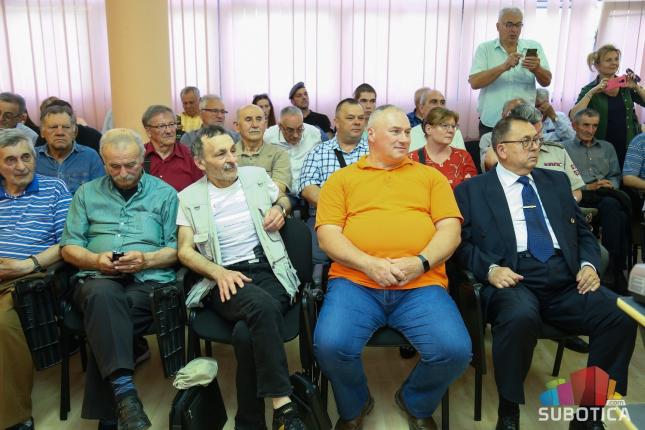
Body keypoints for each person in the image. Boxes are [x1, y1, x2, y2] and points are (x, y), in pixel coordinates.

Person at [454, 115, 637, 430]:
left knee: (620, 316)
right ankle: (509, 411)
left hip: (566, 278)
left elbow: (583, 233)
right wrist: (491, 269)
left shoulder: (555, 182)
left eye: (536, 140)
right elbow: (461, 245)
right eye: (525, 141)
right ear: (501, 149)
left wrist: (588, 265)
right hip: (513, 278)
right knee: (519, 317)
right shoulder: (472, 190)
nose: (535, 147)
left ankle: (589, 415)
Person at [314, 105, 471, 430]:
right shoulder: (342, 180)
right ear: (371, 134)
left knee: (455, 351)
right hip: (355, 283)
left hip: (420, 284)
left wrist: (420, 262)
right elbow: (328, 236)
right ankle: (355, 404)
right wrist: (368, 264)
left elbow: (450, 231)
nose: (404, 138)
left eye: (407, 132)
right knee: (330, 346)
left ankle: (414, 400)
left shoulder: (430, 178)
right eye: (395, 131)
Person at [177, 125, 306, 430]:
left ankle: (249, 422)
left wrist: (280, 208)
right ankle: (283, 406)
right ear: (200, 162)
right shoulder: (189, 197)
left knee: (246, 334)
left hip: (269, 269)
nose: (231, 159)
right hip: (223, 275)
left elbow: (288, 200)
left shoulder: (256, 177)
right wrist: (217, 272)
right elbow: (184, 251)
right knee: (261, 309)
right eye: (221, 154)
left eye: (233, 151)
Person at [60, 128, 179, 430]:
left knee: (106, 321)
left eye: (131, 165)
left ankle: (115, 413)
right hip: (96, 278)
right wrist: (95, 260)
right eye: (114, 166)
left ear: (143, 159)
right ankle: (126, 396)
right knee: (103, 296)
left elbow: (176, 249)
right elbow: (69, 246)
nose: (123, 173)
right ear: (103, 162)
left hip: (147, 280)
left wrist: (146, 259)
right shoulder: (86, 193)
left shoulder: (165, 194)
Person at [0, 129, 71, 430]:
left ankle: (14, 417)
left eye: (26, 157)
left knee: (1, 324)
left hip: (28, 278)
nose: (21, 166)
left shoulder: (54, 189)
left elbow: (67, 242)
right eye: (10, 160)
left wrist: (26, 265)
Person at [563, 109, 630, 293]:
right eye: (586, 125)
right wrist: (588, 186)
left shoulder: (607, 148)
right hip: (580, 196)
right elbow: (562, 180)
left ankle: (611, 267)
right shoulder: (564, 148)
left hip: (604, 194)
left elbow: (615, 175)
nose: (590, 130)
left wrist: (610, 184)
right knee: (617, 211)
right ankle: (615, 269)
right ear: (574, 126)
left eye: (594, 126)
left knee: (614, 206)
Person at [299, 98, 368, 265]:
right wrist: (338, 208)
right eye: (350, 118)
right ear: (336, 122)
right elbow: (307, 187)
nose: (357, 122)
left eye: (361, 118)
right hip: (326, 216)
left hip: (366, 215)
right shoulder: (318, 151)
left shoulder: (375, 151)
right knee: (317, 258)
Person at [468, 7, 551, 137]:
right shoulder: (485, 49)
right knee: (490, 151)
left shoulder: (533, 47)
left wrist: (537, 69)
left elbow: (547, 81)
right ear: (498, 26)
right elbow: (474, 82)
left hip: (525, 122)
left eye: (518, 25)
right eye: (509, 25)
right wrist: (504, 66)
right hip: (492, 121)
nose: (514, 30)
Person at [483, 104, 585, 202]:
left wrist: (567, 204)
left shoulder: (557, 151)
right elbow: (490, 161)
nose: (538, 138)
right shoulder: (506, 150)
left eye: (539, 132)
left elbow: (576, 189)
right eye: (528, 137)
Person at [569, 45, 645, 168]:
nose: (614, 63)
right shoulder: (590, 89)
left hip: (629, 147)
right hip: (601, 149)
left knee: (627, 179)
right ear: (597, 65)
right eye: (609, 60)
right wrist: (592, 93)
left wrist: (636, 87)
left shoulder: (625, 85)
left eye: (616, 59)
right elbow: (573, 116)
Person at [234, 104, 292, 213]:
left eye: (259, 119)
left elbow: (276, 193)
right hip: (236, 212)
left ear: (265, 124)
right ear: (237, 126)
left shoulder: (279, 154)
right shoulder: (228, 156)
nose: (255, 125)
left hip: (269, 212)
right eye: (248, 120)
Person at [35, 104, 104, 194]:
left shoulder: (90, 157)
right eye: (53, 127)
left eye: (66, 127)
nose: (60, 132)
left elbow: (100, 194)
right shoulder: (32, 157)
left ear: (75, 132)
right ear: (42, 132)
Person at [263, 106, 321, 203]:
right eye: (290, 130)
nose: (296, 135)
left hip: (308, 188)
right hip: (283, 191)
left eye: (300, 129)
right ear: (280, 127)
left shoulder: (313, 134)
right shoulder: (268, 137)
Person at [410, 107, 477, 189]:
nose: (451, 130)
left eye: (453, 126)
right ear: (428, 129)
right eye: (445, 125)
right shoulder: (412, 159)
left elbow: (472, 190)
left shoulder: (463, 157)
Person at [141, 105, 203, 191]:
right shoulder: (139, 156)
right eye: (161, 126)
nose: (169, 131)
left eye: (171, 124)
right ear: (148, 131)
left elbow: (201, 191)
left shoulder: (190, 156)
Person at [35, 97, 102, 153]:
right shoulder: (38, 150)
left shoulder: (93, 139)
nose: (59, 132)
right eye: (53, 126)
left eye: (65, 126)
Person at [480, 98, 527, 171]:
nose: (516, 119)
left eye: (520, 114)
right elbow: (491, 167)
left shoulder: (534, 138)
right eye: (512, 114)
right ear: (503, 116)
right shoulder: (488, 138)